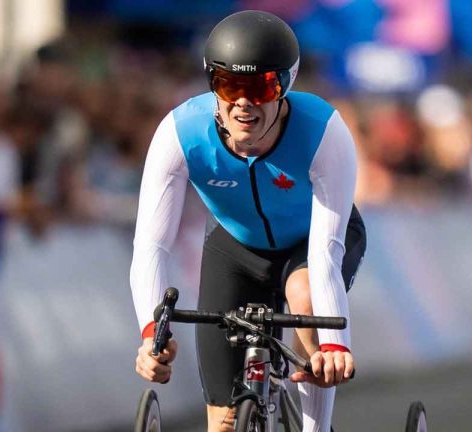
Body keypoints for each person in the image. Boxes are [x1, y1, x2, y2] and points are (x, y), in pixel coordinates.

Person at [130, 10, 366, 432]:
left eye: (259, 88)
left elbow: (325, 253)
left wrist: (334, 344)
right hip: (236, 249)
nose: (243, 101)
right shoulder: (180, 133)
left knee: (305, 297)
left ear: (285, 87)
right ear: (212, 85)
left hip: (313, 242)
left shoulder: (324, 132)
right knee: (221, 425)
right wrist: (153, 333)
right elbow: (152, 245)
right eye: (228, 84)